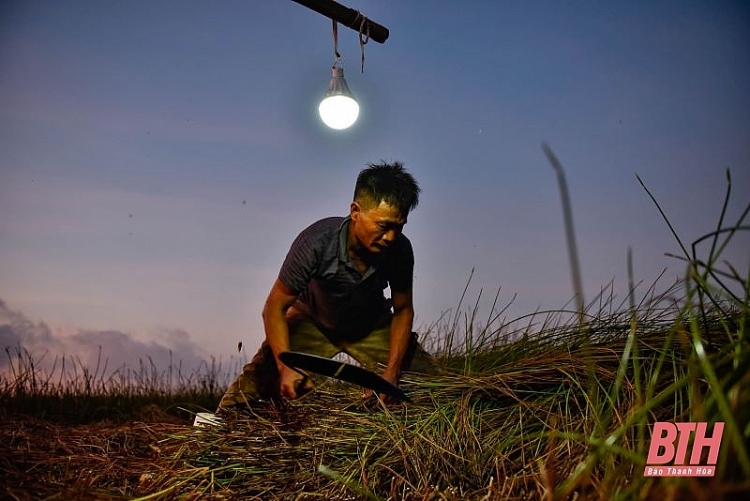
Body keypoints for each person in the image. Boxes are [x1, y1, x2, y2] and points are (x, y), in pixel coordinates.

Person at [217, 161, 434, 411]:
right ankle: (217, 425)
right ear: (355, 211)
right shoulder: (316, 242)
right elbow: (274, 308)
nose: (391, 237)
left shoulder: (400, 251)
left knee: (434, 385)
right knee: (245, 394)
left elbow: (404, 311)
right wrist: (285, 368)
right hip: (314, 321)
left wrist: (392, 373)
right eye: (384, 226)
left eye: (400, 227)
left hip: (370, 325)